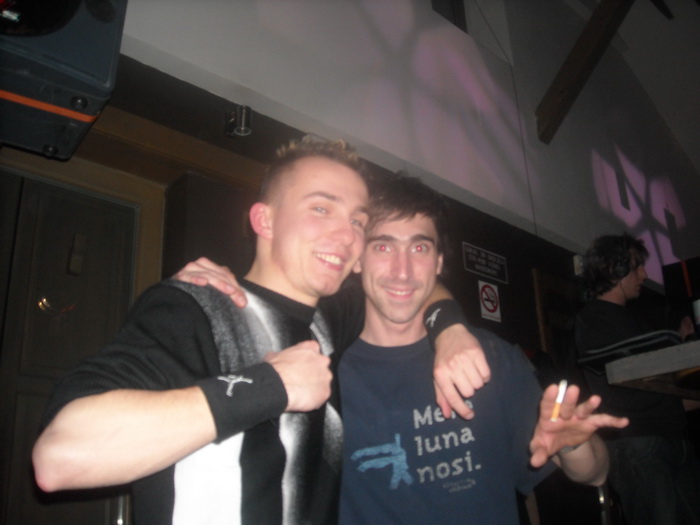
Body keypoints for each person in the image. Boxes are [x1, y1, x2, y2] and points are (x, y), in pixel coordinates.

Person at [32, 138, 488, 525]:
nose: (347, 235)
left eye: (357, 221)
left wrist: (449, 330)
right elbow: (60, 456)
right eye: (321, 208)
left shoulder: (331, 318)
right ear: (264, 220)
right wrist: (268, 385)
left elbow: (408, 282)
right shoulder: (196, 307)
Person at [186, 174, 628, 524]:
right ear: (357, 259)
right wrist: (220, 295)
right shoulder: (318, 367)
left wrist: (573, 445)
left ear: (439, 263)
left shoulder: (490, 357)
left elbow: (596, 474)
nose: (402, 270)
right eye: (383, 246)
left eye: (419, 247)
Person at [575, 233, 700, 525]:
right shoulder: (594, 318)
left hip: (673, 441)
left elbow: (662, 390)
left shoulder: (638, 323)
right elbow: (628, 388)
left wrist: (681, 348)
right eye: (637, 266)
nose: (644, 275)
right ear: (615, 269)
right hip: (639, 444)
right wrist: (672, 347)